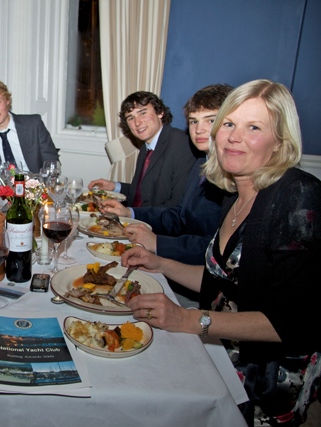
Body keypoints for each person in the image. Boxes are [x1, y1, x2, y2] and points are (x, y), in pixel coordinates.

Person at [121, 80, 321, 426]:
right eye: (228, 123)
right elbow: (223, 283)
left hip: (267, 376)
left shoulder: (298, 197)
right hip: (219, 345)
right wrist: (160, 263)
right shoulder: (235, 194)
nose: (233, 137)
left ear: (280, 140)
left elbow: (293, 322)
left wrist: (187, 320)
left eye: (253, 127)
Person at [100, 84, 232, 265]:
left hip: (180, 252)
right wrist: (119, 194)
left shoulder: (185, 146)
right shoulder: (197, 160)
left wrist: (156, 242)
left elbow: (179, 213)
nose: (199, 130)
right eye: (194, 121)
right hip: (159, 236)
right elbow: (149, 195)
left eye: (143, 113)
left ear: (160, 112)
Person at [88, 91, 198, 208]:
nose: (137, 123)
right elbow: (143, 194)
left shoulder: (182, 144)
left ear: (160, 112)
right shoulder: (146, 147)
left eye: (143, 113)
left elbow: (177, 205)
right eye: (131, 118)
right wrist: (114, 186)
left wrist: (131, 213)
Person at [0, 78, 59, 174]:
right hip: (1, 183)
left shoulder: (34, 125)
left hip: (36, 181)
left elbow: (51, 162)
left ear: (7, 101)